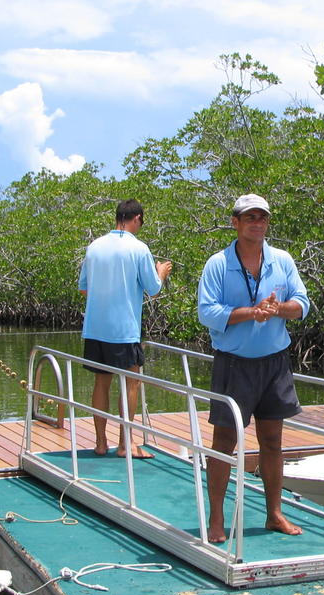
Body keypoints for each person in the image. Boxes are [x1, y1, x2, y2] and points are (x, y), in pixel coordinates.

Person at [197, 193, 310, 543]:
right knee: (225, 441)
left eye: (262, 217)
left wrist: (278, 310)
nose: (257, 223)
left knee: (272, 441)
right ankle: (216, 519)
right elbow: (207, 312)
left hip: (274, 363)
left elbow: (302, 304)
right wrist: (251, 311)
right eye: (249, 218)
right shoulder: (217, 263)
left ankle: (274, 514)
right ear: (236, 222)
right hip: (234, 364)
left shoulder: (282, 260)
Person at [78, 199, 172, 459]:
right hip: (124, 330)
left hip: (95, 327)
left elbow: (84, 288)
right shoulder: (139, 248)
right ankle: (125, 445)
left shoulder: (94, 247)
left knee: (101, 382)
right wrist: (160, 271)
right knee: (131, 383)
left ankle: (99, 443)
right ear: (137, 218)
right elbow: (153, 289)